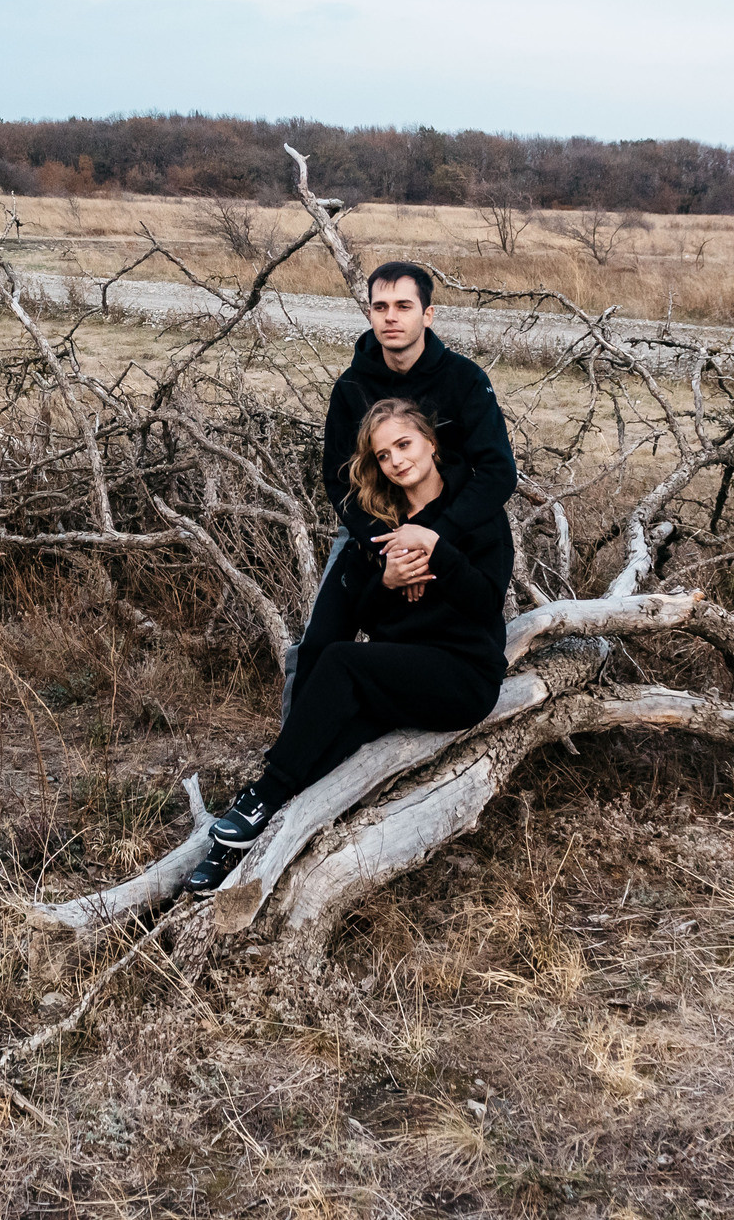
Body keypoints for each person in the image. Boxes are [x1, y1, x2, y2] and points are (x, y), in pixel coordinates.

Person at [188, 398, 513, 895]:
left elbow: (486, 601)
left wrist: (436, 550)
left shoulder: (476, 512)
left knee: (340, 662)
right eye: (383, 455)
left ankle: (260, 795)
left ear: (430, 443)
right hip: (400, 676)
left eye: (404, 445)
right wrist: (386, 579)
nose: (397, 460)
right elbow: (363, 616)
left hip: (463, 676)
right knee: (327, 740)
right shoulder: (376, 522)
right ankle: (230, 854)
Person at [281, 260, 518, 716]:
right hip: (373, 532)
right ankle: (292, 758)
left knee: (440, 633)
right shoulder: (351, 387)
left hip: (454, 530)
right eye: (380, 306)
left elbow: (497, 472)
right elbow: (338, 479)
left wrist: (433, 538)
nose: (391, 317)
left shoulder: (465, 381)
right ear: (369, 313)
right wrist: (388, 546)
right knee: (318, 643)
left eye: (404, 306)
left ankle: (386, 727)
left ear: (426, 315)